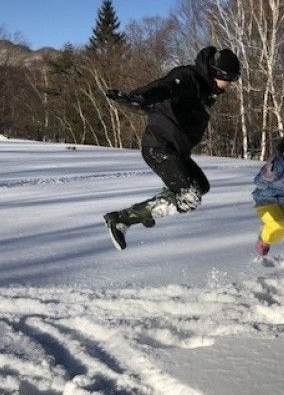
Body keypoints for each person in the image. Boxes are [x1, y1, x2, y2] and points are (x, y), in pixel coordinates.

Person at [102, 46, 241, 250]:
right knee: (190, 197)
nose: (230, 84)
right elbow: (163, 87)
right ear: (215, 72)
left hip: (177, 151)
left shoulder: (208, 90)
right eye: (228, 79)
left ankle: (152, 208)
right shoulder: (188, 77)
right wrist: (139, 97)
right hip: (159, 147)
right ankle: (121, 219)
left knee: (201, 186)